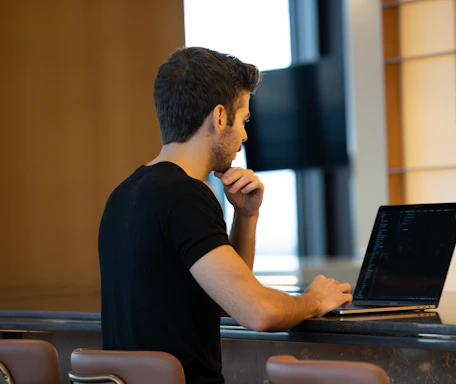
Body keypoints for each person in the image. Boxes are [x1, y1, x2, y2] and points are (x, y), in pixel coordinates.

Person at [98, 47, 353, 384]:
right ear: (219, 118)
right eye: (244, 120)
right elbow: (258, 313)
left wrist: (245, 217)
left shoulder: (123, 194)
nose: (245, 136)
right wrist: (313, 300)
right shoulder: (185, 195)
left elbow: (225, 300)